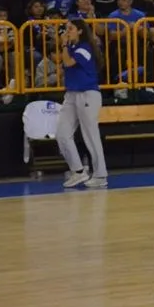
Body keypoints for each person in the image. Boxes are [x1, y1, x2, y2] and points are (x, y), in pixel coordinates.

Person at [55, 19, 108, 189]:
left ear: (79, 31)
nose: (67, 31)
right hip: (71, 94)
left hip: (87, 94)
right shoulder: (71, 48)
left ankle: (100, 175)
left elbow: (69, 62)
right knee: (62, 134)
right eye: (66, 28)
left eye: (70, 28)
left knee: (90, 135)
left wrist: (63, 45)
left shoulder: (85, 48)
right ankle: (78, 171)